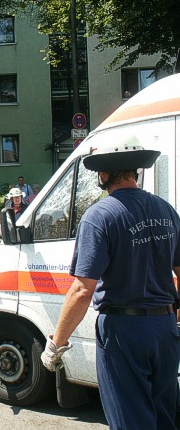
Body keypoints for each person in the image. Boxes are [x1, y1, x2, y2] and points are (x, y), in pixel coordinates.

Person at [40, 137, 180, 430]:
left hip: (123, 331)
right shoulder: (167, 211)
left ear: (104, 174)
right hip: (165, 327)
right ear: (136, 171)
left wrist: (56, 343)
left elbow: (81, 289)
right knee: (165, 416)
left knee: (131, 419)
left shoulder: (100, 216)